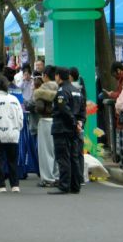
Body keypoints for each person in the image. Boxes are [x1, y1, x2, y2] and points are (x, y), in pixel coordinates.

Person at [49, 67, 86, 195]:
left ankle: (64, 185)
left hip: (62, 128)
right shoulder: (77, 91)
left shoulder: (61, 91)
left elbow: (63, 109)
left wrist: (74, 122)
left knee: (63, 157)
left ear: (58, 76)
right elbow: (82, 110)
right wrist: (80, 123)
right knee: (74, 157)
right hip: (74, 130)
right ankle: (75, 185)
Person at [33, 65, 59, 187]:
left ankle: (48, 178)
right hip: (58, 121)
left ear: (45, 76)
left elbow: (39, 107)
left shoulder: (42, 89)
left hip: (45, 120)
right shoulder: (60, 88)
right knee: (56, 150)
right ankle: (57, 176)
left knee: (46, 151)